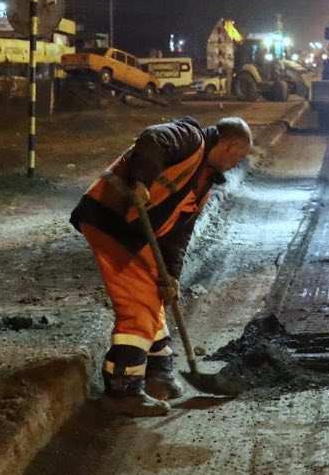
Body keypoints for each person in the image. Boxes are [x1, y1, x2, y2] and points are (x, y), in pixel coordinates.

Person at [70, 115, 254, 415]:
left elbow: (179, 235)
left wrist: (171, 275)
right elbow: (152, 139)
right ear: (229, 145)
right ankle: (122, 390)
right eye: (240, 156)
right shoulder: (190, 138)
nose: (238, 164)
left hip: (135, 234)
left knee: (155, 289)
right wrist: (140, 181)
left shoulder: (204, 182)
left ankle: (158, 373)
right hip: (110, 220)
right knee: (137, 305)